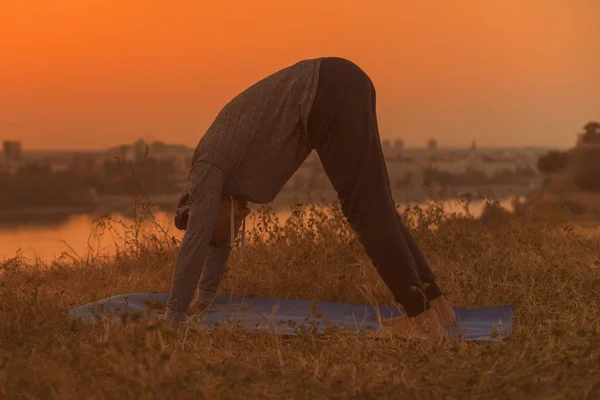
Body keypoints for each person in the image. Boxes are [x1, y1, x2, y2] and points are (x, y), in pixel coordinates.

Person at [162, 57, 456, 337]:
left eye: (226, 226)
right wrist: (203, 301)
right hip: (339, 82)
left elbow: (197, 243)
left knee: (364, 211)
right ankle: (437, 309)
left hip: (326, 92)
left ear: (207, 209)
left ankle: (420, 320)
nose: (243, 219)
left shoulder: (206, 171)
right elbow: (217, 240)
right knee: (379, 209)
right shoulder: (221, 182)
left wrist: (174, 317)